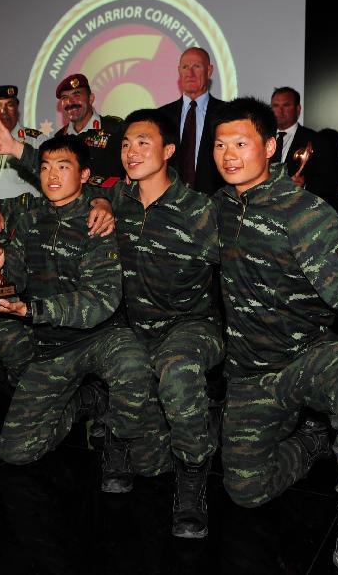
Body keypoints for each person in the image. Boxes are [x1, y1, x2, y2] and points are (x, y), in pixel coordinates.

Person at [212, 97, 338, 575]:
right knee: (246, 491)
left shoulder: (304, 212)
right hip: (250, 372)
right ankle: (313, 443)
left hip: (307, 357)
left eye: (241, 143)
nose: (229, 154)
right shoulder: (219, 207)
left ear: (270, 147)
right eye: (220, 144)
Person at [0, 135, 154, 483]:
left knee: (132, 364)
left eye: (63, 166)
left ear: (85, 175)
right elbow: (14, 278)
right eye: (44, 167)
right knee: (15, 451)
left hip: (101, 336)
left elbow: (100, 300)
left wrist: (31, 309)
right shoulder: (29, 221)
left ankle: (117, 444)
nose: (51, 176)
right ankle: (84, 402)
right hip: (52, 345)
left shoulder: (98, 220)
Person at [108, 108, 224, 538]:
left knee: (176, 370)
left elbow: (244, 261)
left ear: (168, 151)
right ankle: (118, 439)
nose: (131, 152)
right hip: (135, 326)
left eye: (143, 142)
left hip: (191, 325)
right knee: (148, 462)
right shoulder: (116, 200)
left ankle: (192, 483)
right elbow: (62, 185)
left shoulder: (198, 210)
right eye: (125, 144)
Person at [158, 48, 224, 195]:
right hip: (168, 205)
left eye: (197, 66)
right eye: (185, 67)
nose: (190, 73)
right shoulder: (161, 115)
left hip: (215, 204)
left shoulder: (227, 113)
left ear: (209, 71)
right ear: (179, 71)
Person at [0, 84, 44, 199]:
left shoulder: (37, 141)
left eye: (10, 105)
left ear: (17, 110)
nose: (3, 111)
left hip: (27, 216)